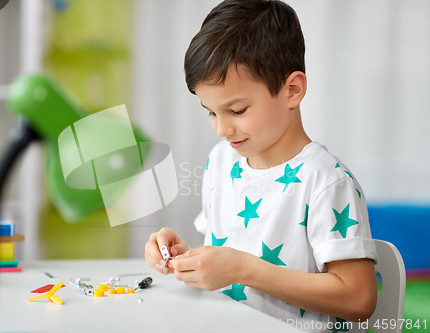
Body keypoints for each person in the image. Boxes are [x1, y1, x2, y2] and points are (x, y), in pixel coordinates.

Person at [144, 0, 378, 330]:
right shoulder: (221, 160)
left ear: (292, 90)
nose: (221, 129)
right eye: (210, 112)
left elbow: (359, 299)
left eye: (237, 110)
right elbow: (229, 257)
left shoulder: (326, 181)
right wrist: (187, 257)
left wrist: (244, 269)